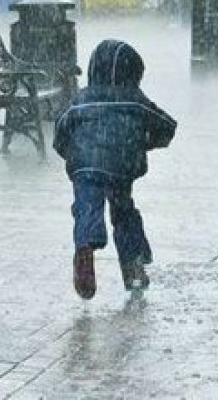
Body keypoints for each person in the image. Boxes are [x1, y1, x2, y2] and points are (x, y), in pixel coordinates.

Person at [53, 39, 177, 300]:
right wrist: (145, 143)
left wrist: (74, 153)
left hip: (85, 164)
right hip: (121, 163)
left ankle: (85, 248)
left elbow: (61, 132)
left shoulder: (81, 99)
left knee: (87, 207)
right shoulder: (134, 99)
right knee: (123, 212)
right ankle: (133, 266)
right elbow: (167, 126)